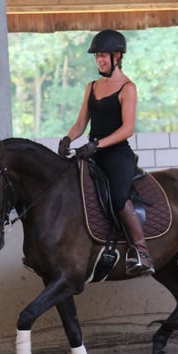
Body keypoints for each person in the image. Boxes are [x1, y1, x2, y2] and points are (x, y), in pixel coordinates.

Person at [58, 29, 155, 275]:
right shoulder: (92, 86)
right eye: (96, 56)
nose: (98, 60)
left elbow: (128, 129)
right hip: (92, 152)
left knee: (119, 198)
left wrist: (98, 145)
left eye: (102, 56)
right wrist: (68, 139)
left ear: (117, 56)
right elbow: (81, 123)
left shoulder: (127, 88)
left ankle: (142, 251)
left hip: (116, 154)